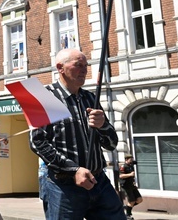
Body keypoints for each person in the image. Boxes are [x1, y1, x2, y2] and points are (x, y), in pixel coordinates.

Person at [30, 48, 125, 220]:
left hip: (99, 182)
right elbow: (38, 143)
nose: (84, 70)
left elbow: (111, 144)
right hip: (64, 186)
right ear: (60, 68)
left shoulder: (90, 98)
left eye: (86, 66)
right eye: (78, 65)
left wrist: (103, 125)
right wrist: (74, 170)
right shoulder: (43, 97)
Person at [119, 155, 141, 220]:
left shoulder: (131, 166)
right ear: (126, 159)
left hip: (132, 185)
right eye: (130, 159)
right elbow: (121, 176)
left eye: (132, 159)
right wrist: (130, 174)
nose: (131, 160)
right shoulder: (123, 166)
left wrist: (134, 183)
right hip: (126, 186)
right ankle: (127, 215)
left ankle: (127, 207)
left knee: (139, 199)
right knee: (132, 201)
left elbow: (132, 177)